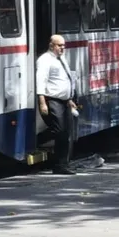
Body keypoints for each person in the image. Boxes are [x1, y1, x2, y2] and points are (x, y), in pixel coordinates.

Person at [36, 34, 78, 175]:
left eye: (63, 45)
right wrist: (42, 102)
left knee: (66, 132)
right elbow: (41, 81)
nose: (62, 48)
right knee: (59, 130)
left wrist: (69, 98)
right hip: (51, 99)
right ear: (51, 45)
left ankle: (62, 165)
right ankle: (38, 140)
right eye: (59, 45)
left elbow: (64, 79)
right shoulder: (45, 60)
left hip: (64, 101)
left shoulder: (61, 59)